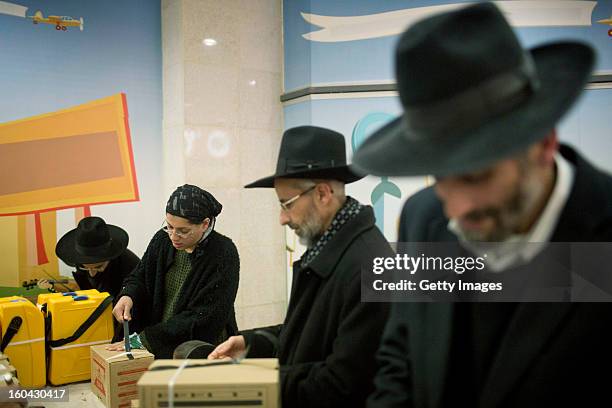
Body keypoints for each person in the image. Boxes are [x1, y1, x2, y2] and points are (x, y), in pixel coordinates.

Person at [353, 3, 612, 406]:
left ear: (543, 143)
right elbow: (399, 359)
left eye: (476, 176)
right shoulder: (423, 218)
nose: (455, 211)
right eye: (439, 176)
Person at [208, 126, 392, 408]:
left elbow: (343, 383)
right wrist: (252, 344)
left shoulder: (369, 267)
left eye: (287, 204)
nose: (282, 218)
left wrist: (251, 383)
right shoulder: (327, 248)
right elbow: (309, 333)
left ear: (323, 194)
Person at [108, 185, 240, 358]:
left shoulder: (223, 253)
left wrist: (147, 340)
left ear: (205, 224)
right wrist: (128, 295)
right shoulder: (162, 239)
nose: (173, 236)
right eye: (169, 226)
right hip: (160, 340)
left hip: (202, 347)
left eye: (183, 231)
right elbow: (140, 276)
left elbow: (204, 316)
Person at [41, 216, 139, 297]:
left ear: (110, 257)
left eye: (98, 267)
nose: (92, 274)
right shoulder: (80, 260)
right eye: (85, 267)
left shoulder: (130, 266)